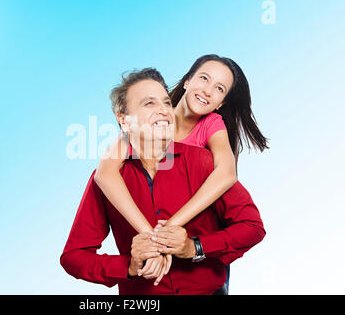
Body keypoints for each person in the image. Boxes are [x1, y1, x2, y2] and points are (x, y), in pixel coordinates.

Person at [60, 68, 266, 295]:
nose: (163, 111)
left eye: (167, 103)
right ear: (124, 120)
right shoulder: (107, 178)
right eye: (149, 104)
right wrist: (128, 266)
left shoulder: (202, 162)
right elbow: (74, 257)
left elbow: (252, 227)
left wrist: (194, 247)